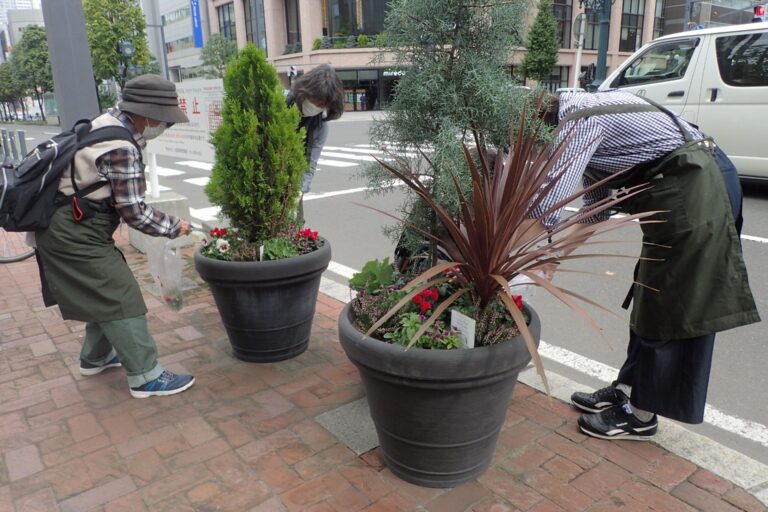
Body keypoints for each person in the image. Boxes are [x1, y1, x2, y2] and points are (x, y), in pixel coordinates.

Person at [531, 90, 759, 440]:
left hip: (700, 189)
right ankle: (628, 389)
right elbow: (596, 211)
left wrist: (516, 262)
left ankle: (641, 416)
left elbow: (545, 208)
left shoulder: (577, 122)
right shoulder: (589, 123)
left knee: (670, 299)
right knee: (649, 289)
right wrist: (550, 259)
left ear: (545, 130)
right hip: (684, 187)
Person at [34, 74, 196, 399]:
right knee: (121, 296)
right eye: (163, 119)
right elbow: (134, 212)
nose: (165, 126)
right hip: (72, 231)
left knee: (102, 291)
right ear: (146, 113)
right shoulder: (120, 147)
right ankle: (146, 376)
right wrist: (173, 226)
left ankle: (95, 358)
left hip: (67, 225)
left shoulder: (108, 122)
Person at [285, 64, 344, 219]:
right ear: (303, 91)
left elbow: (310, 162)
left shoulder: (320, 125)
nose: (315, 107)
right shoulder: (280, 104)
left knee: (295, 226)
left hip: (293, 183)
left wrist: (299, 190)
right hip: (267, 179)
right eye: (314, 100)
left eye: (322, 105)